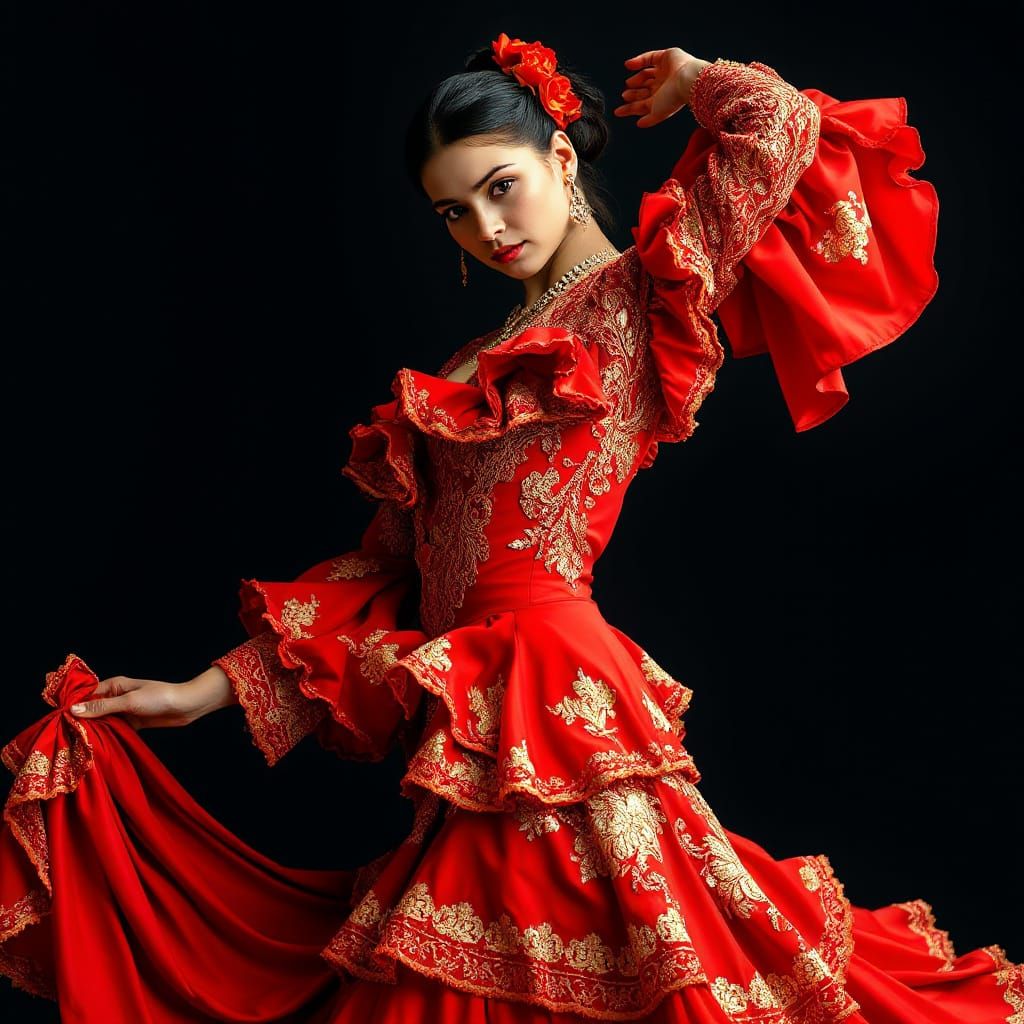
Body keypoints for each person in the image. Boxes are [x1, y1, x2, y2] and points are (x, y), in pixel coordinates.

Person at [2, 31, 1021, 1024]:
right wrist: (201, 691)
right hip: (472, 722)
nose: (487, 229)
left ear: (562, 160)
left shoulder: (638, 296)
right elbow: (382, 574)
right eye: (454, 210)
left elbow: (781, 128)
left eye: (502, 187)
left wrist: (699, 76)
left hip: (557, 704)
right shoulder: (460, 370)